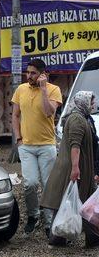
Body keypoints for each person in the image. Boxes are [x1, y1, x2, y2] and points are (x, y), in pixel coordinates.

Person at [11, 59, 63, 234]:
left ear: (43, 74)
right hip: (26, 145)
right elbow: (15, 115)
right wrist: (18, 139)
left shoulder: (53, 90)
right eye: (28, 72)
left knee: (48, 184)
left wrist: (43, 89)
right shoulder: (20, 89)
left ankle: (49, 223)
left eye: (33, 73)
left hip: (47, 145)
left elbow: (49, 112)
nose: (29, 76)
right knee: (30, 184)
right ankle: (33, 215)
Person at [42, 91, 99, 246]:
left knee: (81, 202)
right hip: (73, 168)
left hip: (82, 168)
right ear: (84, 102)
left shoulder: (85, 118)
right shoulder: (77, 119)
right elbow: (75, 146)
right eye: (91, 102)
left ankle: (90, 238)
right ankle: (58, 237)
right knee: (71, 201)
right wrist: (75, 168)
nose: (93, 105)